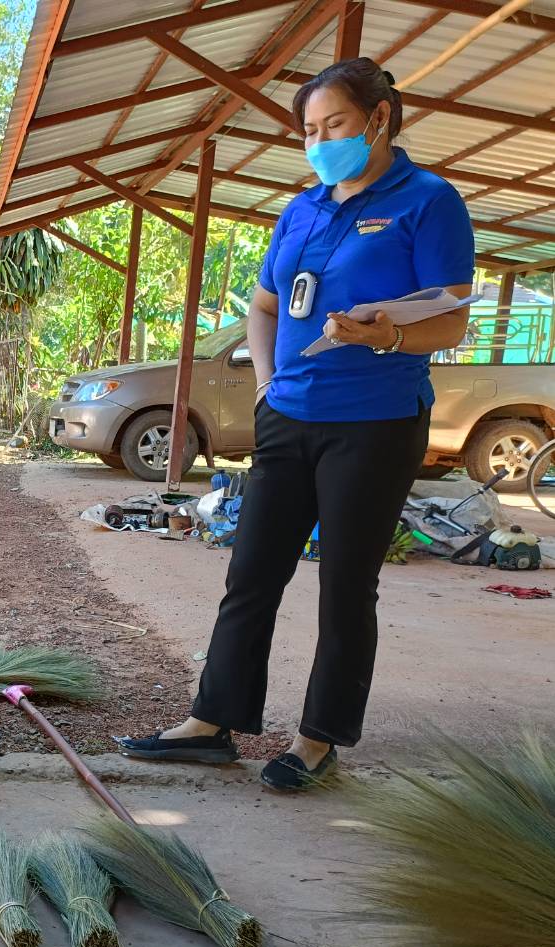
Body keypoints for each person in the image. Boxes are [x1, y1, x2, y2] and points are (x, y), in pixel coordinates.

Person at [122, 59, 475, 790]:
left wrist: (380, 336)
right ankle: (210, 722)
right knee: (250, 574)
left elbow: (450, 321)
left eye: (333, 126)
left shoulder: (427, 200)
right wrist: (267, 384)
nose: (318, 143)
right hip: (288, 416)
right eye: (308, 131)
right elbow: (263, 306)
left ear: (379, 119)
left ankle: (317, 740)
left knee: (346, 587)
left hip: (373, 424)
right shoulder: (302, 208)